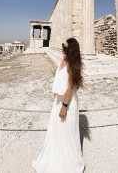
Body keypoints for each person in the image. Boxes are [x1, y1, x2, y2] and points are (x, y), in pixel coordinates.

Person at [32, 37, 85, 173]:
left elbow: (70, 88)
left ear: (70, 50)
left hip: (67, 103)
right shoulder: (64, 60)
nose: (62, 49)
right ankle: (55, 160)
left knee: (66, 133)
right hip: (58, 102)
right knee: (56, 132)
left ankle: (68, 166)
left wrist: (64, 107)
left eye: (65, 48)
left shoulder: (72, 65)